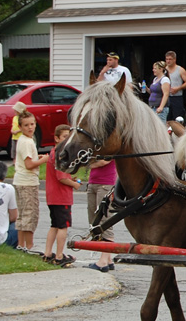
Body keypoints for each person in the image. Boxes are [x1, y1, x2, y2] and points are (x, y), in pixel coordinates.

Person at [14, 111, 49, 252]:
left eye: (32, 124)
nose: (30, 127)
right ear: (20, 127)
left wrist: (37, 157)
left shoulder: (24, 140)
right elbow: (29, 165)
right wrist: (43, 160)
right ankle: (29, 246)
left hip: (20, 181)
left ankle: (21, 245)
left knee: (22, 215)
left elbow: (26, 160)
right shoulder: (27, 142)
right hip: (27, 182)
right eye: (26, 125)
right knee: (30, 214)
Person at [44, 124, 80, 265]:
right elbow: (62, 177)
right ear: (57, 138)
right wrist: (74, 184)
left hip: (52, 196)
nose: (67, 140)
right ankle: (59, 256)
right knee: (63, 227)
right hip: (61, 196)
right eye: (64, 137)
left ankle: (48, 253)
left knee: (54, 225)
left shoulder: (52, 152)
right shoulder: (60, 154)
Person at [86, 159, 117, 272]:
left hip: (106, 183)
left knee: (105, 220)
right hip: (93, 181)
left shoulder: (109, 144)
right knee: (94, 220)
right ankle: (108, 259)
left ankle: (103, 261)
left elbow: (104, 161)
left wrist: (87, 164)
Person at [165, 50, 186, 123]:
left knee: (178, 118)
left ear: (174, 59)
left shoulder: (180, 70)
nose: (168, 61)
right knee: (167, 118)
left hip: (177, 97)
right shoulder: (164, 70)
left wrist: (178, 88)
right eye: (167, 59)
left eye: (170, 59)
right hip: (166, 97)